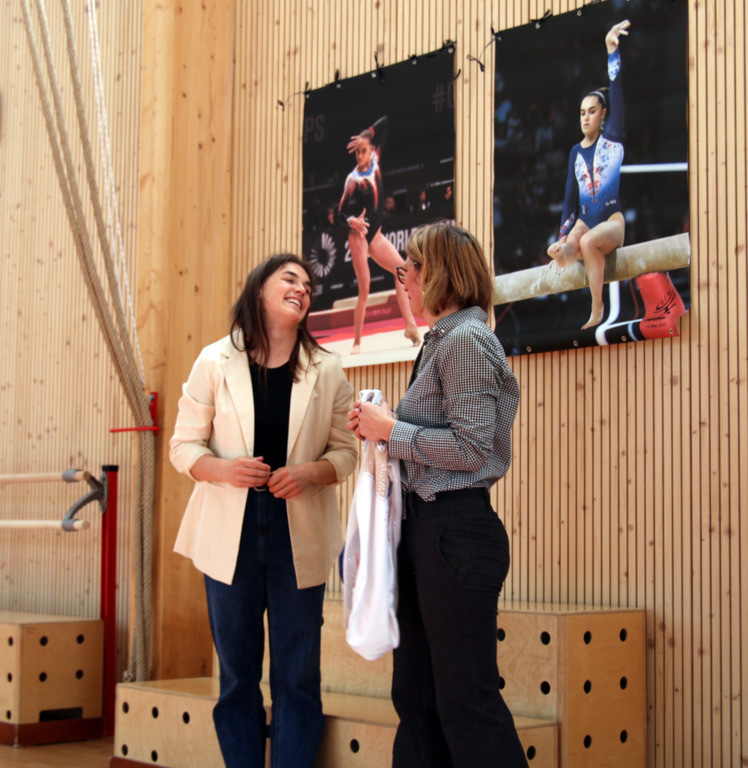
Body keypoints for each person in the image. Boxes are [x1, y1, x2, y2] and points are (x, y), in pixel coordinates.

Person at [346, 221, 528, 768]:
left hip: (454, 534)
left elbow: (472, 449)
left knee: (465, 705)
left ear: (438, 274)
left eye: (410, 269)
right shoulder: (446, 340)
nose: (404, 280)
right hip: (434, 534)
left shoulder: (466, 340)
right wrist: (385, 425)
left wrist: (390, 430)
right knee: (419, 701)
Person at [170, 254, 357, 768]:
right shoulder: (214, 361)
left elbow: (346, 453)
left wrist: (309, 473)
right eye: (290, 279)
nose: (303, 289)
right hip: (229, 532)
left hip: (298, 532)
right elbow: (183, 447)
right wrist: (223, 470)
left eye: (309, 285)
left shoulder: (328, 368)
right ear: (259, 290)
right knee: (237, 676)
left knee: (298, 677)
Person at [547, 20, 631, 329]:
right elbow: (569, 200)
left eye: (592, 111)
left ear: (604, 114)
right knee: (572, 243)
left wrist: (612, 51)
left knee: (588, 242)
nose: (586, 117)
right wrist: (561, 238)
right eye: (582, 113)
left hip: (611, 221)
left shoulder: (613, 138)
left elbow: (617, 90)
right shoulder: (574, 152)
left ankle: (597, 306)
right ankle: (563, 253)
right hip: (584, 221)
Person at [338, 115, 421, 353]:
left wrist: (367, 133)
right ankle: (356, 342)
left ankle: (410, 326)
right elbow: (340, 211)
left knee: (402, 271)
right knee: (364, 289)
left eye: (364, 150)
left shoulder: (375, 159)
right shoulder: (352, 179)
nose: (360, 155)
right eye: (357, 152)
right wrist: (352, 221)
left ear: (371, 149)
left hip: (375, 235)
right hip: (359, 236)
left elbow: (385, 122)